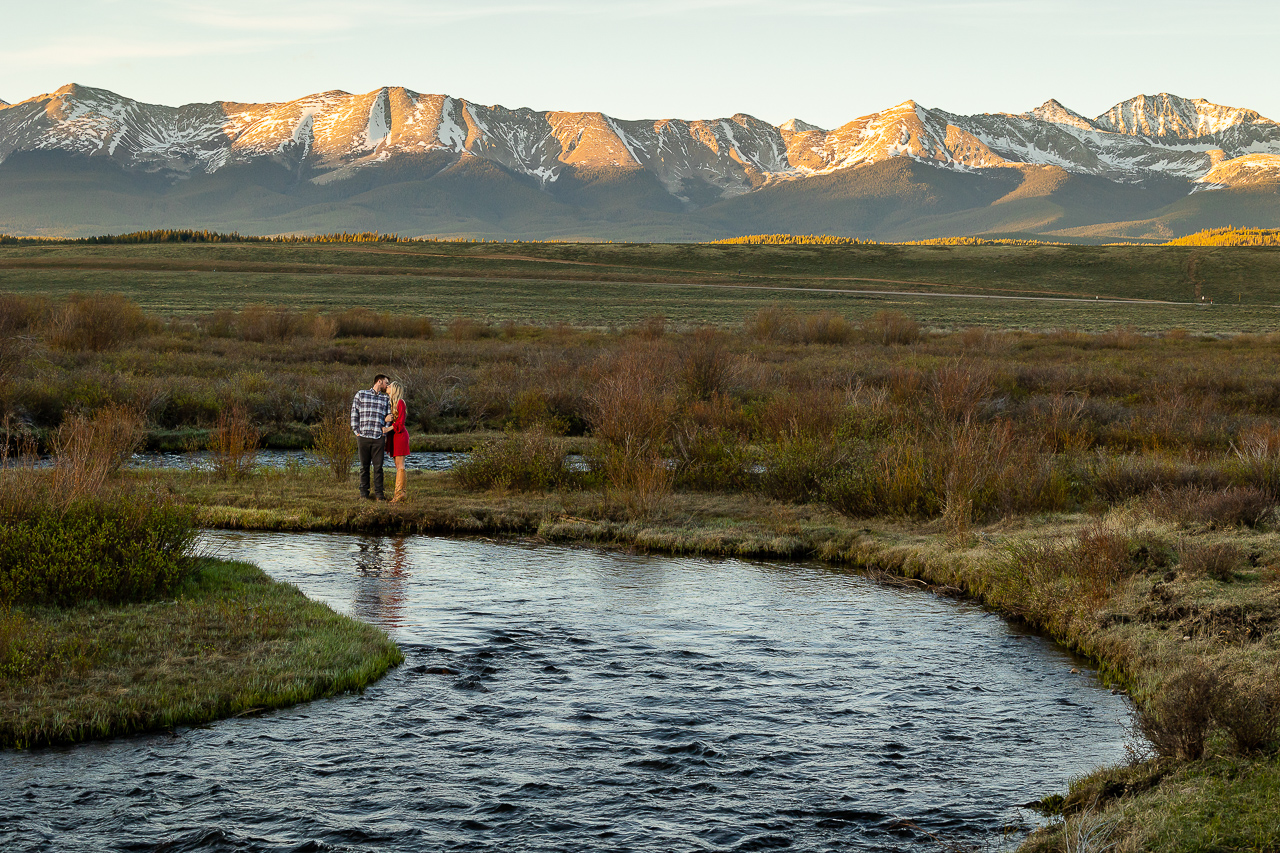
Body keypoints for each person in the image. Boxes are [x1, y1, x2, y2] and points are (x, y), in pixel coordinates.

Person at [350, 373, 391, 500]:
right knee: (364, 467)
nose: (387, 385)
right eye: (386, 382)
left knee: (378, 468)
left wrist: (384, 432)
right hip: (363, 437)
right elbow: (354, 414)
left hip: (378, 437)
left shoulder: (385, 399)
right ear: (379, 381)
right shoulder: (361, 394)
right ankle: (364, 494)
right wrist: (357, 432)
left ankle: (379, 494)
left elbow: (389, 417)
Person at [384, 381, 410, 503]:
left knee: (400, 465)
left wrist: (387, 429)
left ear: (394, 389)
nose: (387, 387)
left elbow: (400, 423)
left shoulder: (401, 402)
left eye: (389, 386)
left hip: (400, 436)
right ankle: (399, 493)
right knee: (397, 465)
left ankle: (400, 494)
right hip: (394, 436)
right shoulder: (391, 403)